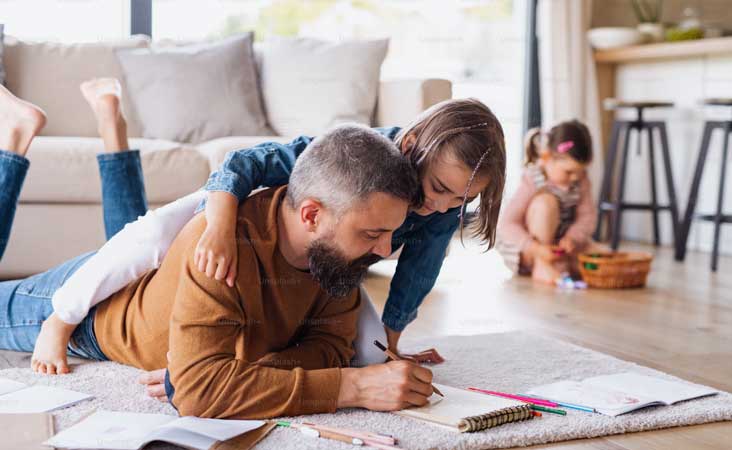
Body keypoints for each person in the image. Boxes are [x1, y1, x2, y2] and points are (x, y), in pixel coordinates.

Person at [0, 83, 438, 417]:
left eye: (389, 234)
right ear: (310, 215)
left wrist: (255, 370)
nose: (384, 251)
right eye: (372, 234)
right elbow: (195, 392)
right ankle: (14, 141)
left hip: (159, 287)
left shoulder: (337, 249)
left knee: (129, 232)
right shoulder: (222, 248)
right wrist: (351, 388)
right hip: (98, 317)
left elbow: (329, 346)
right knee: (137, 237)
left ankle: (112, 133)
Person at [496, 120, 598, 284]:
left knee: (598, 253)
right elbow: (507, 224)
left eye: (580, 172)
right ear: (546, 157)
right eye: (569, 172)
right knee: (545, 203)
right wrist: (535, 249)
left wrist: (573, 238)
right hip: (531, 249)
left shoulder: (581, 180)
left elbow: (587, 217)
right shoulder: (533, 179)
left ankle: (560, 264)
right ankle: (542, 266)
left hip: (561, 246)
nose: (575, 178)